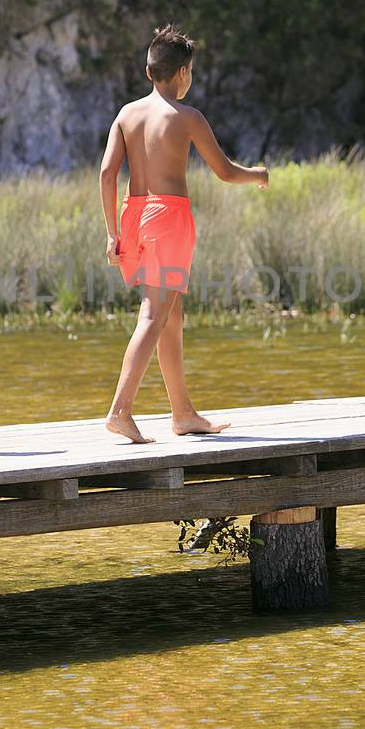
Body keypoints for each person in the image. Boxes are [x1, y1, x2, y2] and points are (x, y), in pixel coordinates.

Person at [99, 25, 268, 443]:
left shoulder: (126, 114)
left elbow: (106, 175)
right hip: (167, 217)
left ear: (148, 70)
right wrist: (258, 175)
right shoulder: (187, 117)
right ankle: (120, 410)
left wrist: (111, 234)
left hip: (132, 216)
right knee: (154, 314)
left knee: (170, 318)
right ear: (184, 73)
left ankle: (183, 413)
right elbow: (225, 171)